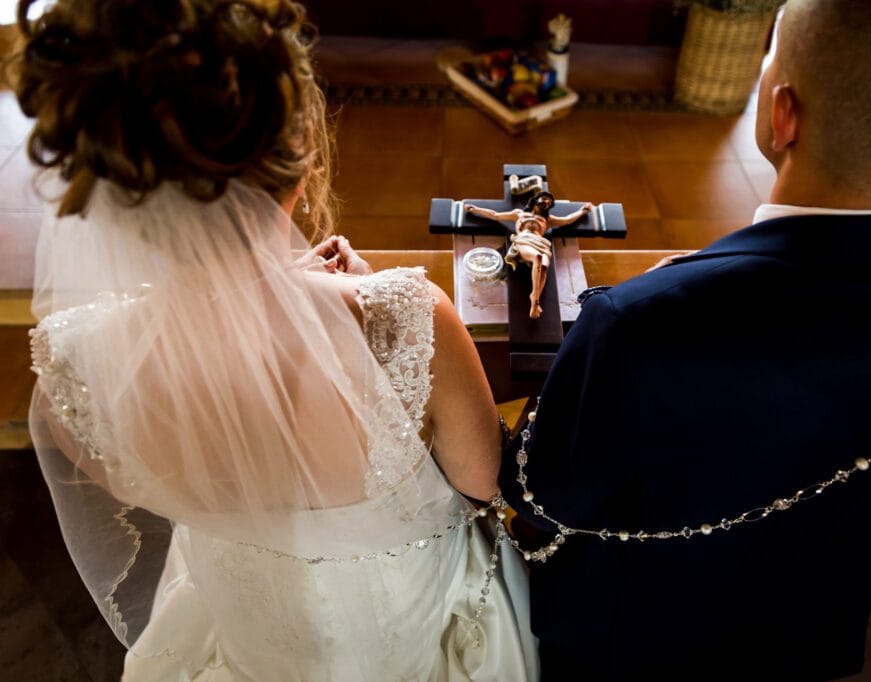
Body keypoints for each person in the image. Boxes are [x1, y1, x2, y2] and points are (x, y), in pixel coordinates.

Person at [498, 1, 871, 679]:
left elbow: (539, 492)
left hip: (628, 644)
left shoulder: (636, 326)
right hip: (809, 638)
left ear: (784, 115)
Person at [14, 0, 537, 679]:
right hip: (406, 644)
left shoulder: (71, 368)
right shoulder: (410, 322)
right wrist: (357, 307)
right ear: (299, 160)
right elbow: (481, 482)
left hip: (247, 639)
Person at [465, 193, 592, 318]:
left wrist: (583, 211)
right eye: (545, 199)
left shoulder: (548, 219)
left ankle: (535, 297)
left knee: (544, 267)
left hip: (541, 243)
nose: (546, 202)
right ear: (536, 200)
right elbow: (495, 215)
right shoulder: (518, 214)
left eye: (549, 202)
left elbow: (567, 220)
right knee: (537, 257)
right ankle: (535, 301)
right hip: (524, 240)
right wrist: (475, 209)